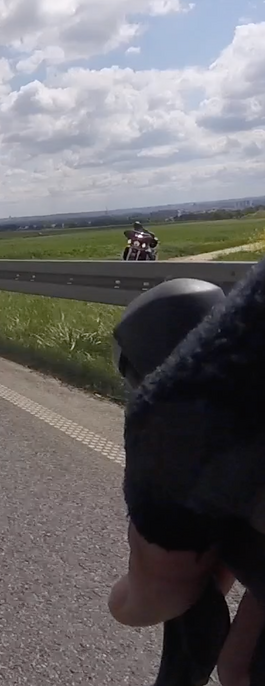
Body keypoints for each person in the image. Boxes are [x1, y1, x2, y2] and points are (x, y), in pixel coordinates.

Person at [110, 257, 265, 685]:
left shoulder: (176, 420)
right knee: (240, 664)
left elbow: (154, 599)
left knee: (241, 670)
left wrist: (120, 600)